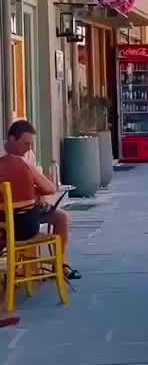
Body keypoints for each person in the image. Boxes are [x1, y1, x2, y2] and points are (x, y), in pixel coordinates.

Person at [0, 119, 81, 280]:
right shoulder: (7, 159)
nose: (28, 148)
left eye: (30, 144)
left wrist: (37, 193)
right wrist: (38, 190)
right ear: (11, 139)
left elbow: (40, 186)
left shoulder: (27, 155)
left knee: (61, 216)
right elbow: (49, 187)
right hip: (14, 222)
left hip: (23, 213)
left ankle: (61, 264)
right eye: (25, 143)